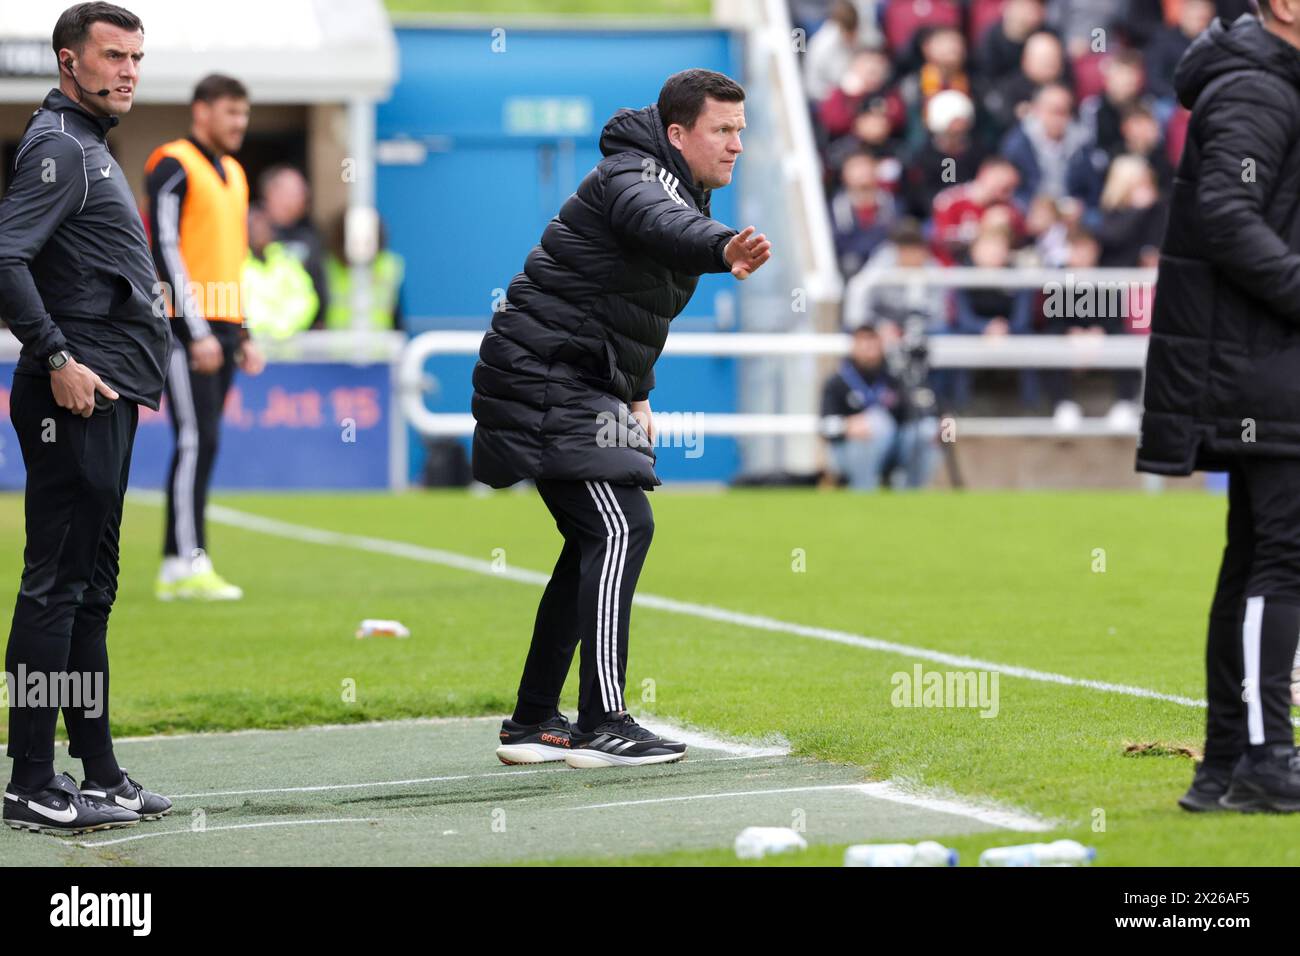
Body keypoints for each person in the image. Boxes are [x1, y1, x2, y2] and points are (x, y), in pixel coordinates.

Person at [471, 69, 770, 768]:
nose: (735, 146)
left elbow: (633, 313)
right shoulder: (636, 175)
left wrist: (637, 397)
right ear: (677, 134)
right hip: (544, 376)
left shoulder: (677, 184)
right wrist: (723, 247)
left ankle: (533, 721)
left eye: (740, 132)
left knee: (590, 541)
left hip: (573, 380)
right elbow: (660, 224)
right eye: (722, 131)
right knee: (619, 524)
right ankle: (604, 720)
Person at [0, 1, 171, 834]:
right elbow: (5, 257)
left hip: (109, 396)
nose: (128, 71)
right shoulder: (62, 147)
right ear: (70, 61)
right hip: (72, 395)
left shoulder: (89, 146)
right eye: (113, 56)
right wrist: (59, 357)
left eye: (137, 57)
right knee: (56, 588)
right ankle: (31, 776)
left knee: (92, 592)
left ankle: (96, 770)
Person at [1137, 5, 1300, 813]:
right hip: (1258, 364)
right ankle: (1266, 761)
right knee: (1281, 559)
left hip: (1257, 362)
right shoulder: (1257, 88)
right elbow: (1228, 217)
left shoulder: (1267, 82)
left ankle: (1229, 768)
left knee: (1255, 560)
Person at [145, 73, 265, 601]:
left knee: (202, 442)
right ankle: (191, 562)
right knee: (197, 439)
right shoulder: (172, 162)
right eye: (230, 112)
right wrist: (194, 331)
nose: (240, 123)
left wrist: (244, 330)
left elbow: (234, 260)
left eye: (244, 113)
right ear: (201, 112)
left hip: (223, 327)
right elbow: (166, 246)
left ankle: (176, 562)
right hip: (183, 328)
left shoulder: (235, 173)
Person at [820, 324, 939, 490]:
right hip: (849, 450)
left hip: (891, 448)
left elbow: (912, 416)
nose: (869, 348)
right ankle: (863, 493)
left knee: (928, 429)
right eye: (863, 342)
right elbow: (824, 427)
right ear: (853, 346)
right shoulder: (837, 382)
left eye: (873, 342)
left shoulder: (894, 377)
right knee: (875, 424)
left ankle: (912, 495)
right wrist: (846, 426)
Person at [259, 165, 329, 328]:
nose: (300, 198)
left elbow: (320, 286)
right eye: (292, 193)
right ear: (270, 193)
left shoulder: (310, 236)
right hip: (260, 336)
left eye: (302, 193)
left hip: (303, 338)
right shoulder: (250, 231)